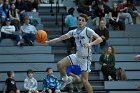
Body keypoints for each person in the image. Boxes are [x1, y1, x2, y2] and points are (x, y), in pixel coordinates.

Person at [45, 14, 103, 93]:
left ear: (85, 23)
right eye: (79, 20)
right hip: (77, 56)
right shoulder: (74, 32)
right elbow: (60, 38)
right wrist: (48, 42)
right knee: (59, 64)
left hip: (85, 59)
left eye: (83, 20)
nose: (81, 22)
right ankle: (66, 79)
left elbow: (100, 39)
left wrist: (90, 44)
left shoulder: (88, 30)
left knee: (84, 81)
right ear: (77, 21)